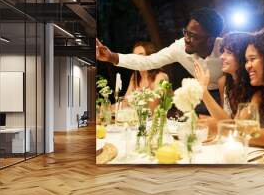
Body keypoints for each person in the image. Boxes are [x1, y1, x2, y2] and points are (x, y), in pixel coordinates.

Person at [96, 8, 225, 115]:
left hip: (226, 94)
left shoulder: (225, 49)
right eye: (186, 32)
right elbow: (148, 61)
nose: (187, 39)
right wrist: (111, 57)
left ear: (211, 39)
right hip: (201, 95)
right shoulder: (179, 47)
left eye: (194, 36)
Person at [194, 32, 264, 122]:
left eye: (228, 52)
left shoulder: (257, 91)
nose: (222, 57)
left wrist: (204, 92)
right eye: (223, 51)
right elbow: (223, 118)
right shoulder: (223, 82)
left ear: (242, 57)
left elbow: (237, 126)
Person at [124, 42, 168, 112]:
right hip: (137, 119)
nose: (136, 59)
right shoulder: (134, 76)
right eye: (134, 56)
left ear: (150, 57)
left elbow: (154, 107)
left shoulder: (160, 76)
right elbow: (125, 101)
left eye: (141, 55)